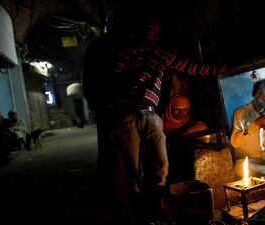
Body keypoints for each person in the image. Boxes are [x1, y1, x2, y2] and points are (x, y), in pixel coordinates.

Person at [82, 13, 225, 225]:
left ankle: (155, 204)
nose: (152, 29)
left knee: (160, 163)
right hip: (126, 114)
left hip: (150, 113)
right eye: (149, 25)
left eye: (155, 25)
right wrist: (128, 87)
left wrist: (218, 70)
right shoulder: (126, 50)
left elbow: (191, 67)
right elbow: (113, 77)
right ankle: (137, 211)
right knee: (132, 168)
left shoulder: (161, 54)